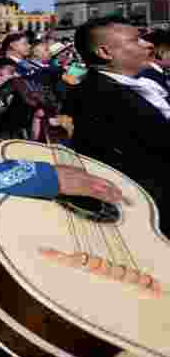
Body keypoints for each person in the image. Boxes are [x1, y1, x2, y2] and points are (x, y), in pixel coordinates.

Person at [66, 16, 170, 218]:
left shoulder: (134, 85)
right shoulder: (98, 95)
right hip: (147, 209)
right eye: (136, 40)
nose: (148, 44)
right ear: (105, 52)